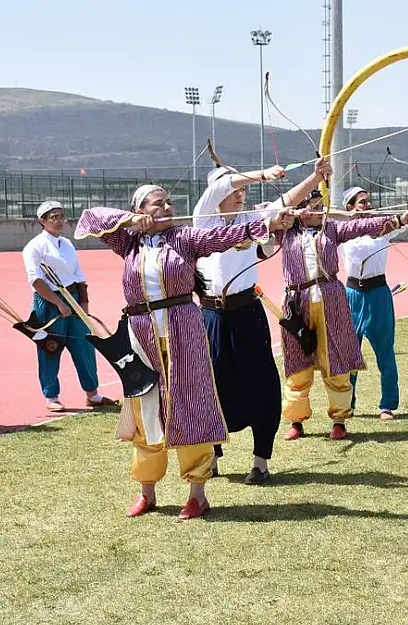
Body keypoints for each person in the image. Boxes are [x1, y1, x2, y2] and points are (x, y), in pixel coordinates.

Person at [75, 184, 296, 519]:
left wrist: (268, 224)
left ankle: (197, 493)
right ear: (141, 208)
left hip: (183, 327)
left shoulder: (185, 238)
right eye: (156, 203)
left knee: (189, 402)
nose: (166, 206)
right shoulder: (128, 241)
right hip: (142, 332)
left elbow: (223, 237)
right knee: (145, 407)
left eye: (169, 202)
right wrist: (132, 221)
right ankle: (147, 491)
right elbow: (90, 218)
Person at [193, 158, 331, 485]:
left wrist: (315, 177)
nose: (240, 194)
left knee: (262, 383)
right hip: (210, 315)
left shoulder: (252, 219)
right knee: (212, 386)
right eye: (235, 188)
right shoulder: (203, 221)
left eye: (242, 190)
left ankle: (260, 460)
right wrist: (260, 175)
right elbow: (222, 186)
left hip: (247, 314)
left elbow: (288, 201)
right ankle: (212, 454)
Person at [278, 187, 408, 441]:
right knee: (298, 363)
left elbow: (375, 224)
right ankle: (296, 420)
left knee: (336, 358)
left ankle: (340, 419)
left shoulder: (334, 229)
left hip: (332, 299)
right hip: (298, 301)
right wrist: (289, 213)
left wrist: (407, 217)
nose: (317, 210)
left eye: (319, 205)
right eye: (311, 206)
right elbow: (268, 215)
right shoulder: (285, 231)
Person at [22, 200, 117, 412]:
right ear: (42, 221)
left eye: (61, 216)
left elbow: (78, 275)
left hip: (73, 299)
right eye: (53, 217)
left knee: (84, 346)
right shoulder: (34, 247)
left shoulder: (67, 243)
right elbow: (36, 281)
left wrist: (84, 304)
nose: (58, 221)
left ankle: (92, 394)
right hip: (49, 303)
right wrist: (58, 303)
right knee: (50, 347)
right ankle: (51, 396)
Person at [339, 186, 408, 421]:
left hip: (379, 293)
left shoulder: (383, 228)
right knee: (350, 354)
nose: (368, 206)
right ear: (349, 207)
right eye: (362, 202)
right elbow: (322, 218)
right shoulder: (341, 231)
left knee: (385, 352)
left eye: (369, 202)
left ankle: (387, 405)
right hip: (352, 296)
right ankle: (347, 404)